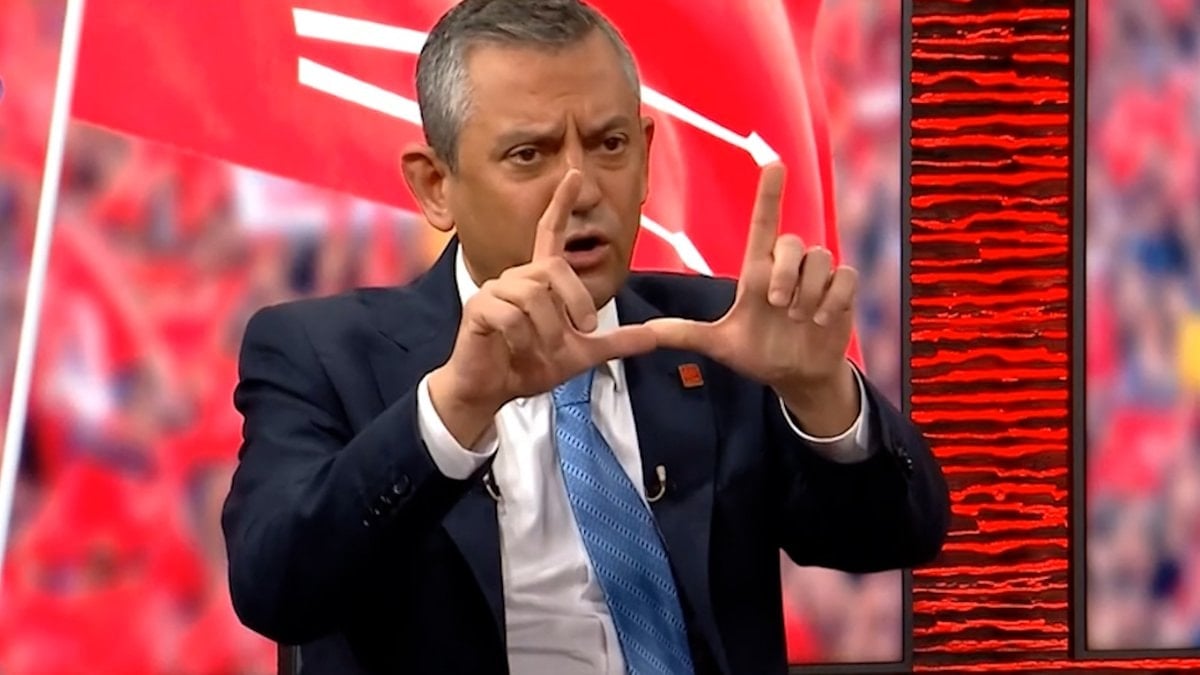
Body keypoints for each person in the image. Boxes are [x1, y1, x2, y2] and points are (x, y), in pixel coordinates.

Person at [220, 1, 950, 673]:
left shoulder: (721, 333)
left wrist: (819, 394)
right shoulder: (321, 352)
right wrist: (453, 412)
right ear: (436, 185)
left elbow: (892, 537)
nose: (583, 188)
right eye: (529, 155)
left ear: (646, 158)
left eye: (609, 144)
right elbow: (277, 588)